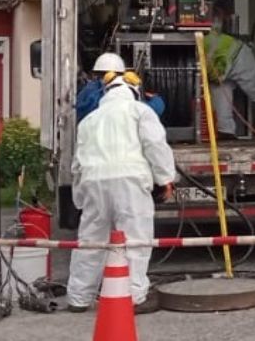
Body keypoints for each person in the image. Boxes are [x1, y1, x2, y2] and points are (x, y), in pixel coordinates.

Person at [67, 72, 176, 314]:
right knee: (135, 240)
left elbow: (77, 164)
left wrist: (80, 198)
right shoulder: (140, 111)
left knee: (90, 241)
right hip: (130, 183)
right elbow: (155, 145)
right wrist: (165, 178)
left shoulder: (89, 120)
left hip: (94, 183)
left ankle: (78, 298)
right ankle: (134, 296)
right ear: (135, 90)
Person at [204, 0, 255, 139]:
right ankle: (226, 131)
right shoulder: (213, 21)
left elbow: (212, 46)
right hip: (226, 64)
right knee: (220, 94)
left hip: (238, 58)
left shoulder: (211, 22)